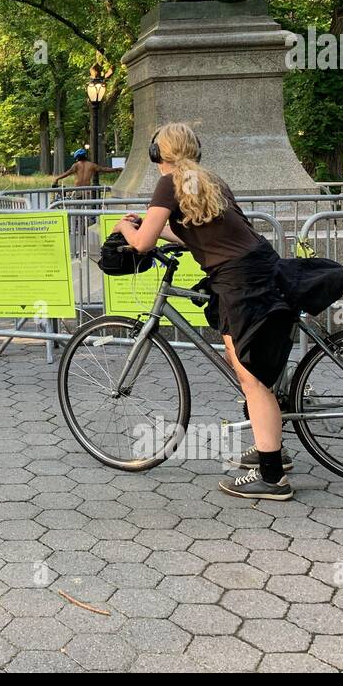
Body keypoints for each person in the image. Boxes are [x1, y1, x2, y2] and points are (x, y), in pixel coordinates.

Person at [111, 122, 296, 501]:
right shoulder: (207, 180)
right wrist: (158, 229)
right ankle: (270, 449)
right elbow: (201, 234)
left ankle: (272, 478)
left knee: (252, 378)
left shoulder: (169, 182)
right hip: (256, 267)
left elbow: (142, 244)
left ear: (157, 154)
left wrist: (126, 230)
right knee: (250, 370)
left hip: (240, 282)